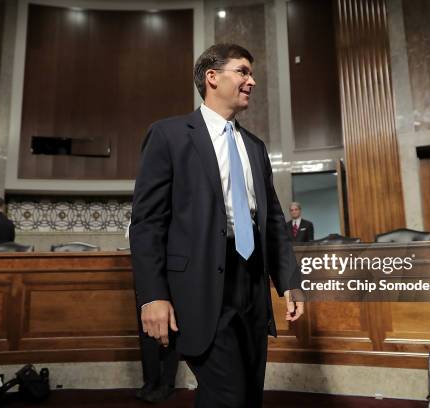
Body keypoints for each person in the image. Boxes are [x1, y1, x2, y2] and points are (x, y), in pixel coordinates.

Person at [129, 43, 304, 408]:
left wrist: (288, 282)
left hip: (252, 286)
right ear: (212, 77)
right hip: (201, 288)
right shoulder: (169, 135)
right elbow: (147, 224)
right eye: (243, 71)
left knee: (249, 395)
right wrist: (152, 295)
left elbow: (272, 219)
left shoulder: (255, 146)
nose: (252, 81)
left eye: (251, 73)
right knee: (228, 396)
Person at [126, 220, 179, 403]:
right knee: (146, 330)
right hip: (145, 272)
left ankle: (168, 383)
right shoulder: (143, 211)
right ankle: (150, 380)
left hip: (171, 267)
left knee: (171, 327)